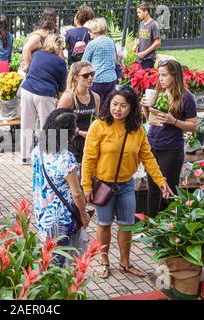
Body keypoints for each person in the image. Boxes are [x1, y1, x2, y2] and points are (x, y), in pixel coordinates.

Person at [81, 85, 173, 279]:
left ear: (131, 108)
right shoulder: (98, 125)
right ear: (109, 104)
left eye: (123, 105)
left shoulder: (137, 130)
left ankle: (125, 263)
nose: (118, 109)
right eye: (114, 104)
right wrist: (86, 185)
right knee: (104, 224)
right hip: (103, 185)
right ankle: (104, 262)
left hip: (126, 186)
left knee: (126, 225)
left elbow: (148, 158)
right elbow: (88, 158)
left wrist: (161, 181)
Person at [32, 108, 89, 266]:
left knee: (48, 258)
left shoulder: (39, 150)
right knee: (59, 262)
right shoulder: (66, 157)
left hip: (43, 213)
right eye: (74, 127)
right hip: (61, 219)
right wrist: (84, 216)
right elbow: (77, 193)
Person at [141, 60, 197, 218]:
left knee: (170, 191)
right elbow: (151, 121)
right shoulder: (159, 92)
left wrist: (174, 121)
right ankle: (151, 228)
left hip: (171, 150)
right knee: (152, 190)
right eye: (159, 75)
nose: (160, 78)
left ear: (175, 75)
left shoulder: (187, 97)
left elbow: (193, 126)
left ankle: (170, 231)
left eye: (164, 75)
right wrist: (145, 108)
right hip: (153, 145)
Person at [20, 34, 67, 165]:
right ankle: (47, 157)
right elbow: (62, 87)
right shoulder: (61, 62)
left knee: (26, 124)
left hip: (27, 89)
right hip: (45, 94)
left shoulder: (37, 55)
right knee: (47, 125)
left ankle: (25, 157)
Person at [57, 61, 100, 164]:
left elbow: (97, 120)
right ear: (76, 77)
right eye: (85, 75)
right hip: (71, 142)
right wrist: (79, 132)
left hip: (89, 142)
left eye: (92, 74)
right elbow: (58, 122)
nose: (90, 78)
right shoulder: (68, 97)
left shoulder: (95, 97)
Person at [82, 18, 117, 108]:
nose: (88, 32)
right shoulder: (111, 42)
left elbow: (83, 63)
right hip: (111, 79)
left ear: (95, 30)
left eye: (89, 30)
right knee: (107, 107)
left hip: (97, 79)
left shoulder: (92, 44)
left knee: (95, 107)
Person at [134, 3, 161, 69]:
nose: (138, 14)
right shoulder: (141, 23)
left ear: (146, 12)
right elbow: (139, 38)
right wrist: (135, 45)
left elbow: (158, 42)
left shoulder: (154, 24)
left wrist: (144, 53)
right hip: (139, 58)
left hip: (149, 59)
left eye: (139, 12)